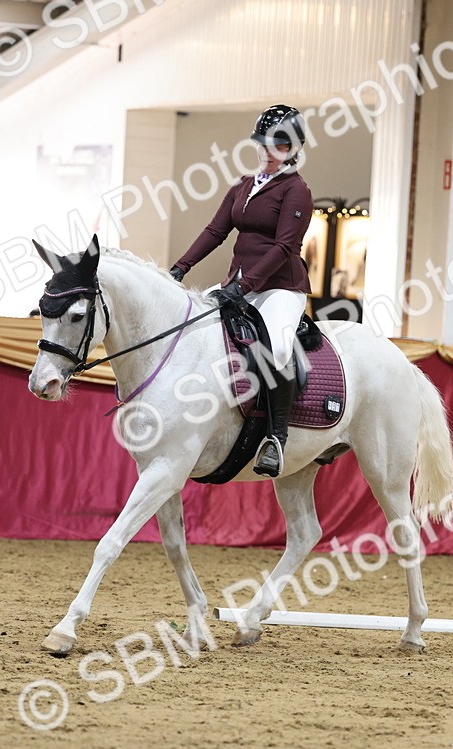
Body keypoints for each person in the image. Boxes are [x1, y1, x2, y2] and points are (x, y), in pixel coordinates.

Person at [170, 104, 314, 477]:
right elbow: (216, 231)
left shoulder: (297, 191)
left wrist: (244, 286)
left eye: (277, 145)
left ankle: (276, 438)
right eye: (264, 144)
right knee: (196, 328)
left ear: (293, 149)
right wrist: (180, 267)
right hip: (239, 282)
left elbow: (284, 248)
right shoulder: (244, 185)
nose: (267, 151)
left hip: (279, 287)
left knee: (278, 347)